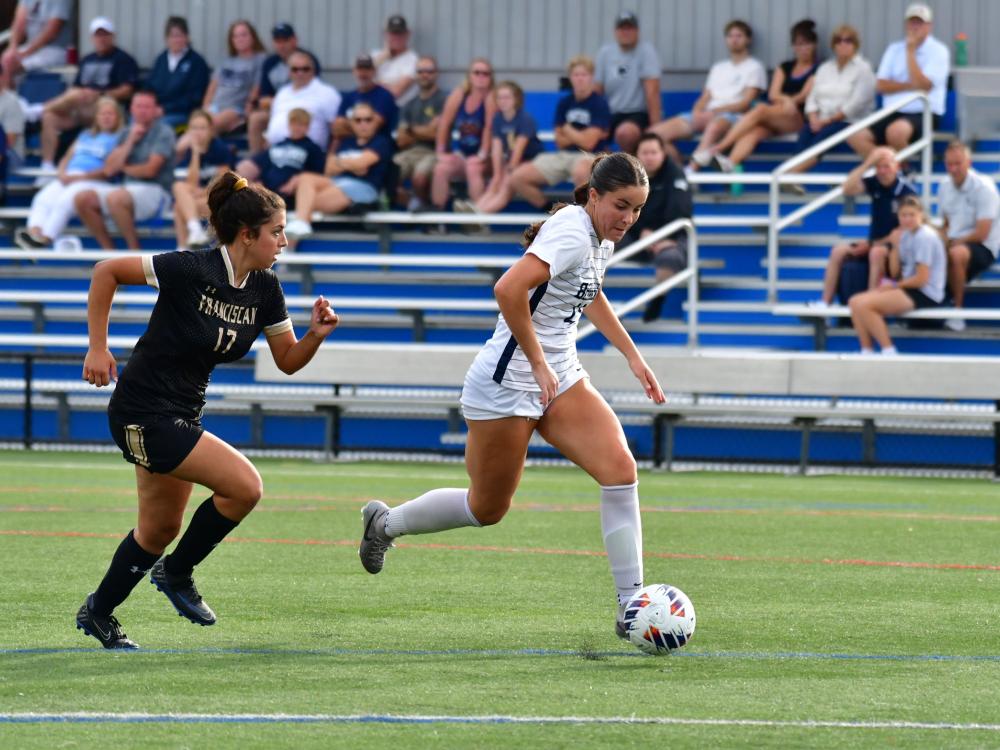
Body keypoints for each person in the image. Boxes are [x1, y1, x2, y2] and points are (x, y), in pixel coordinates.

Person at [357, 153, 665, 640]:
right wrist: (538, 362)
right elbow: (508, 289)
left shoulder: (599, 235)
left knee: (620, 471)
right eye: (621, 206)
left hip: (560, 375)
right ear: (593, 196)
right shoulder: (571, 229)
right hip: (508, 381)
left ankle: (631, 606)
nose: (628, 218)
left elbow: (589, 290)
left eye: (638, 209)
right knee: (487, 509)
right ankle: (385, 524)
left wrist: (631, 355)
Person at [74, 171, 340, 649]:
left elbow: (288, 361)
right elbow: (105, 271)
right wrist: (98, 348)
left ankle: (99, 611)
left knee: (158, 529)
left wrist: (316, 335)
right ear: (247, 234)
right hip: (142, 410)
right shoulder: (192, 268)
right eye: (277, 231)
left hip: (182, 413)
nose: (284, 240)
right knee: (245, 487)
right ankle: (176, 573)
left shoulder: (265, 289)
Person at [702, 20, 819, 174]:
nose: (802, 49)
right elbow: (773, 94)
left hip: (796, 117)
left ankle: (720, 147)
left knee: (761, 109)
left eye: (807, 44)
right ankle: (730, 164)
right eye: (798, 44)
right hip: (777, 115)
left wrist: (789, 102)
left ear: (814, 45)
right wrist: (786, 100)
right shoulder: (785, 66)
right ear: (793, 47)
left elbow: (804, 95)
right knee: (755, 132)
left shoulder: (818, 68)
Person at [648, 19, 766, 172]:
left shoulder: (754, 67)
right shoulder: (718, 67)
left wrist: (715, 112)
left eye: (739, 36)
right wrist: (697, 111)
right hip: (708, 113)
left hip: (732, 117)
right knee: (653, 135)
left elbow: (745, 103)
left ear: (748, 39)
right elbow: (705, 97)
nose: (734, 40)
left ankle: (692, 170)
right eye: (730, 36)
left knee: (714, 127)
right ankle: (678, 170)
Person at [810, 147, 915, 307]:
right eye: (878, 167)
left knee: (876, 253)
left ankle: (868, 302)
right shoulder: (875, 182)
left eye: (886, 166)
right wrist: (867, 164)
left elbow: (901, 232)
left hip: (894, 247)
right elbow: (847, 188)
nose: (882, 171)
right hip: (873, 242)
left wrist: (872, 244)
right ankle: (825, 301)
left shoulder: (906, 191)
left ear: (897, 166)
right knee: (838, 251)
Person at [15, 97, 123, 250]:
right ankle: (33, 233)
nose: (106, 117)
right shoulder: (86, 135)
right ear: (96, 117)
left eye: (110, 114)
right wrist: (62, 173)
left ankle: (45, 238)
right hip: (71, 176)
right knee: (43, 197)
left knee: (65, 200)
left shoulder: (119, 138)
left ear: (118, 117)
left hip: (94, 179)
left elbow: (109, 170)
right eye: (102, 114)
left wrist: (78, 178)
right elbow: (67, 157)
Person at [73, 90, 176, 251]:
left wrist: (124, 168)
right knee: (82, 198)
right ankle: (109, 252)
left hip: (157, 190)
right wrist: (130, 141)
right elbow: (109, 169)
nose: (142, 110)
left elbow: (150, 171)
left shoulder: (164, 132)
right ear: (132, 109)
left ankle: (134, 252)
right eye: (138, 106)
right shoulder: (126, 132)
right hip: (127, 189)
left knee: (116, 198)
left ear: (156, 110)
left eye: (147, 107)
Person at [509, 55, 611, 211]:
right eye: (576, 75)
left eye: (584, 75)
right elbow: (559, 141)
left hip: (591, 155)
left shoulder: (599, 103)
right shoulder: (565, 103)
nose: (580, 79)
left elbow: (589, 143)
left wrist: (568, 129)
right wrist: (581, 135)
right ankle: (554, 212)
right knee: (518, 177)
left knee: (581, 172)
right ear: (571, 77)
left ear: (591, 77)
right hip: (563, 155)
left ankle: (583, 220)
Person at [38, 17, 138, 173]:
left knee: (76, 94)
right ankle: (47, 165)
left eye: (105, 35)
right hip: (81, 108)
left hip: (107, 108)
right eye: (98, 35)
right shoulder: (86, 60)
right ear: (92, 38)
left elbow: (127, 90)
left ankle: (38, 109)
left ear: (113, 36)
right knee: (50, 117)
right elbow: (74, 90)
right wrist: (83, 95)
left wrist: (100, 94)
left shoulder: (123, 59)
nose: (102, 39)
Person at [848, 195, 946, 354]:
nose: (907, 219)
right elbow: (895, 272)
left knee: (865, 305)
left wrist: (893, 286)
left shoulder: (925, 237)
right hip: (909, 286)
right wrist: (894, 245)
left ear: (921, 215)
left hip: (926, 292)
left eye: (912, 215)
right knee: (854, 301)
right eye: (903, 215)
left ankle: (888, 350)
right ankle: (866, 350)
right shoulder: (905, 235)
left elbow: (922, 279)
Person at [285, 102, 395, 238]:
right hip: (337, 181)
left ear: (375, 122)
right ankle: (301, 224)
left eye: (368, 119)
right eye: (358, 120)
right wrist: (352, 165)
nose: (363, 124)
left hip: (364, 188)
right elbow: (328, 168)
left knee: (305, 202)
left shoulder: (381, 141)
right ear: (352, 123)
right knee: (305, 178)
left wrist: (342, 164)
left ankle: (299, 226)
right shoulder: (346, 142)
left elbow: (361, 164)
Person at [853, 2, 949, 154]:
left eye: (920, 22)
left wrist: (910, 51)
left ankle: (898, 170)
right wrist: (910, 85)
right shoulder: (894, 49)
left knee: (896, 132)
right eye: (912, 22)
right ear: (906, 24)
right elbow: (881, 86)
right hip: (892, 110)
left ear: (929, 26)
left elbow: (923, 86)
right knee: (856, 136)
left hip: (923, 111)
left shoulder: (939, 51)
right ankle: (888, 168)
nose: (915, 27)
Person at [787, 24, 877, 185]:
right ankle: (795, 178)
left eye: (848, 40)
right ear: (833, 45)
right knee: (805, 133)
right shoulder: (824, 68)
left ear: (855, 44)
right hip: (822, 118)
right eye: (839, 40)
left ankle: (791, 175)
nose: (843, 44)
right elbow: (812, 97)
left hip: (850, 121)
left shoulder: (864, 69)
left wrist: (827, 121)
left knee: (824, 135)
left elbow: (855, 105)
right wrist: (813, 117)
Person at [625, 133, 693, 322]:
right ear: (637, 155)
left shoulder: (675, 173)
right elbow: (622, 210)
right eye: (645, 152)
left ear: (663, 153)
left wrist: (660, 237)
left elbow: (681, 212)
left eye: (654, 152)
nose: (649, 157)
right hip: (638, 233)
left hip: (671, 235)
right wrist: (642, 232)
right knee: (602, 245)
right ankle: (602, 303)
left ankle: (657, 300)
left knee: (671, 257)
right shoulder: (630, 177)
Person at [937, 140, 1000, 331]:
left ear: (969, 163)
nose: (954, 169)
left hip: (984, 246)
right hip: (957, 241)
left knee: (956, 253)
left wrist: (951, 242)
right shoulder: (943, 186)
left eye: (958, 163)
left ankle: (957, 311)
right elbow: (946, 224)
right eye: (950, 164)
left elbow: (982, 233)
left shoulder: (984, 187)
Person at [460, 80, 542, 215]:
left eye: (507, 97)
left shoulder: (525, 119)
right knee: (496, 180)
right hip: (512, 160)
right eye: (499, 97)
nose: (503, 101)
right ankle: (476, 209)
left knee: (506, 182)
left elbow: (519, 149)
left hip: (530, 160)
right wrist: (497, 174)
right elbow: (497, 148)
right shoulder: (497, 119)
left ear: (516, 99)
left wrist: (508, 170)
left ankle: (479, 214)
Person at [430, 58, 496, 211]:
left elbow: (489, 128)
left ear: (491, 77)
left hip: (490, 157)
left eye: (485, 73)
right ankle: (437, 218)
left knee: (473, 166)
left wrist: (482, 154)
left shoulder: (491, 98)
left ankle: (478, 218)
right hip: (464, 153)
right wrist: (440, 152)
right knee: (441, 168)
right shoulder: (459, 95)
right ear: (469, 76)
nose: (481, 76)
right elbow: (444, 124)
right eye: (476, 72)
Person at [594, 11, 661, 155]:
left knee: (625, 133)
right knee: (591, 137)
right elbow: (597, 91)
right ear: (615, 31)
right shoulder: (605, 53)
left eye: (629, 28)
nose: (626, 32)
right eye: (622, 28)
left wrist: (656, 130)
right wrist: (595, 123)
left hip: (637, 113)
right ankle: (605, 171)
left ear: (637, 31)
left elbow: (652, 92)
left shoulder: (646, 51)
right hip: (610, 113)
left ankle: (629, 169)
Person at [247, 23, 321, 153]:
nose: (282, 45)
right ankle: (256, 159)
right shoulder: (270, 63)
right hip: (276, 108)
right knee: (255, 118)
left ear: (294, 40)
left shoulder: (307, 60)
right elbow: (264, 96)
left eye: (285, 40)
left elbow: (315, 89)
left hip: (304, 107)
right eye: (278, 41)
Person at [172, 110, 237, 250]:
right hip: (200, 199)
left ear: (211, 130)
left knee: (180, 205)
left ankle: (183, 247)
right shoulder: (189, 152)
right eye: (194, 128)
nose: (198, 132)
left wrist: (200, 192)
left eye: (202, 128)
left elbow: (222, 184)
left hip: (220, 200)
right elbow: (191, 184)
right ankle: (193, 233)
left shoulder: (220, 148)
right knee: (178, 190)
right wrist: (196, 153)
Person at [393, 55, 447, 211]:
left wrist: (410, 129)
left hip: (435, 151)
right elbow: (401, 140)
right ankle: (413, 204)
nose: (425, 74)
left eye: (429, 71)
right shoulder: (409, 103)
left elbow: (435, 134)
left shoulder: (444, 100)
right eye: (420, 71)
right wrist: (423, 130)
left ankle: (428, 214)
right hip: (409, 151)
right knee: (388, 172)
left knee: (420, 177)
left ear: (436, 74)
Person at [236, 108, 325, 200]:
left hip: (289, 193)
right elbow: (263, 166)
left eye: (301, 125)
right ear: (289, 124)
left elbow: (316, 174)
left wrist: (298, 180)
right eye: (294, 124)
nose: (297, 128)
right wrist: (259, 182)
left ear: (308, 127)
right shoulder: (277, 146)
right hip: (267, 191)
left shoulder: (313, 148)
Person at [264, 50, 341, 152]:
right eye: (295, 69)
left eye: (305, 69)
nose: (300, 73)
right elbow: (273, 125)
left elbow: (337, 131)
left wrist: (330, 158)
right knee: (244, 166)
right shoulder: (282, 92)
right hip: (275, 149)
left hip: (306, 151)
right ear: (289, 72)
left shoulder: (327, 93)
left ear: (313, 70)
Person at [202, 20, 267, 136]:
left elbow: (256, 87)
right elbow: (212, 87)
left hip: (235, 109)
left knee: (207, 128)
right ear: (231, 40)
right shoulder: (226, 60)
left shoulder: (260, 60)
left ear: (253, 37)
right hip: (215, 107)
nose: (240, 39)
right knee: (192, 132)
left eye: (244, 35)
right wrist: (206, 107)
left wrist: (248, 110)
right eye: (235, 36)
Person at [144, 16, 211, 129]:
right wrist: (150, 107)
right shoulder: (161, 59)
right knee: (135, 121)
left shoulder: (196, 62)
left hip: (181, 113)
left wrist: (165, 109)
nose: (176, 40)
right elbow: (149, 87)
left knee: (158, 127)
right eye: (173, 36)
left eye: (180, 35)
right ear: (166, 38)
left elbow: (194, 97)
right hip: (156, 110)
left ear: (187, 37)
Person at [0, 0, 72, 89]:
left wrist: (25, 53)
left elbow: (52, 32)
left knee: (10, 65)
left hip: (55, 50)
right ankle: (7, 98)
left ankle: (11, 99)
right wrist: (12, 48)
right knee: (6, 60)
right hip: (31, 48)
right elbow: (19, 23)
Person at [332, 54, 398, 140]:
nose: (363, 73)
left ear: (374, 71)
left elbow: (372, 127)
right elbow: (337, 128)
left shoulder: (384, 95)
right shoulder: (349, 97)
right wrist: (361, 126)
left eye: (367, 69)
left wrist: (348, 124)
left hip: (376, 144)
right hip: (349, 145)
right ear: (354, 71)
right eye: (360, 69)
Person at [372, 14, 419, 105]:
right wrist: (380, 59)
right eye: (393, 33)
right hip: (371, 109)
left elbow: (395, 92)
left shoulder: (413, 60)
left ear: (407, 34)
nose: (396, 38)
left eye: (400, 34)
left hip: (399, 109)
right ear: (386, 34)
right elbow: (361, 77)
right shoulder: (375, 56)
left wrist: (373, 85)